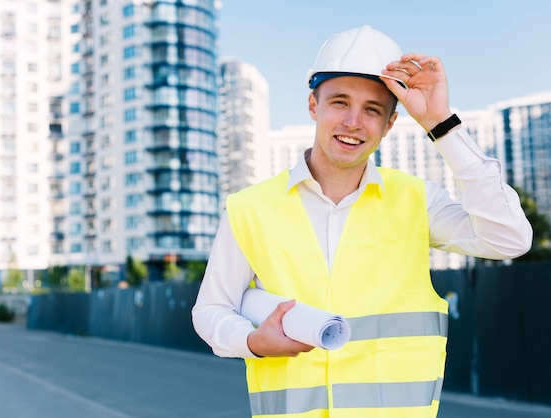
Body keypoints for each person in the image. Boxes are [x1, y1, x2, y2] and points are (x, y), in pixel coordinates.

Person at [192, 25, 532, 418]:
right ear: (312, 106)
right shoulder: (249, 208)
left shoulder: (417, 201)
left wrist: (441, 122)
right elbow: (210, 310)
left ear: (389, 125)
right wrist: (252, 341)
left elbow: (509, 239)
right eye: (339, 102)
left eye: (373, 109)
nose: (354, 121)